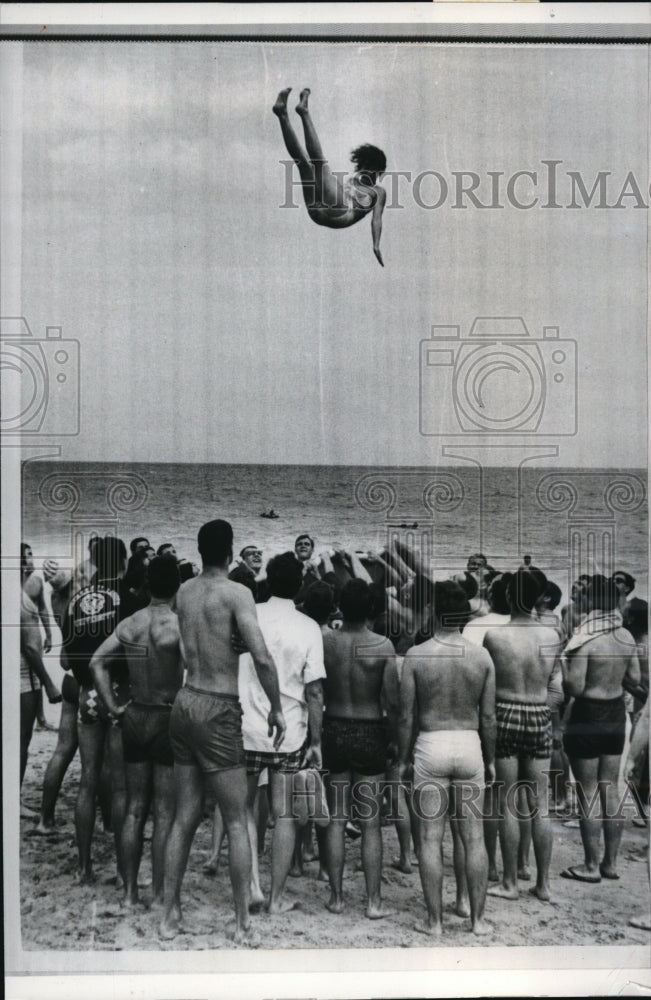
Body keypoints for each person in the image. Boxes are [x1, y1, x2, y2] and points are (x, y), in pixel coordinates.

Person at [160, 520, 285, 944]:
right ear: (230, 552)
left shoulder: (183, 592)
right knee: (235, 819)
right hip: (218, 707)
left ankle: (170, 914)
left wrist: (224, 640)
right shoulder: (238, 592)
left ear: (198, 551)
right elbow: (263, 657)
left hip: (186, 698)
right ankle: (240, 923)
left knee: (184, 817)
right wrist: (278, 708)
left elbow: (188, 641)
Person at [398, 581, 495, 937]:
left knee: (429, 838)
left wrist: (405, 758)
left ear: (434, 612)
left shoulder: (417, 655)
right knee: (473, 839)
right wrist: (491, 758)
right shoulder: (481, 656)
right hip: (469, 743)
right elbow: (488, 718)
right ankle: (478, 920)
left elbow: (406, 716)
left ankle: (435, 922)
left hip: (431, 743)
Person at [89, 556, 184, 909]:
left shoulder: (131, 623)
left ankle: (129, 894)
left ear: (146, 584)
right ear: (176, 585)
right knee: (163, 811)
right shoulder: (176, 625)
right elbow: (192, 671)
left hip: (135, 715)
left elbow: (96, 662)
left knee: (132, 808)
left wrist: (112, 706)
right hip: (165, 716)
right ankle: (159, 893)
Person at [239, 552, 325, 913]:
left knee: (242, 811)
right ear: (300, 586)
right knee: (284, 814)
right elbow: (315, 691)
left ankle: (252, 886)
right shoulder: (308, 627)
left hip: (246, 727)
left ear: (267, 581)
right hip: (288, 731)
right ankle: (275, 898)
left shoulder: (249, 615)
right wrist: (317, 741)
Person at [63, 535, 142, 883]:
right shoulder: (129, 600)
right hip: (120, 692)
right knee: (122, 786)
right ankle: (125, 876)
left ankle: (84, 868)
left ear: (94, 563)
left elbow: (65, 658)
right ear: (123, 563)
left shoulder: (76, 599)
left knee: (87, 781)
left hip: (86, 694)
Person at [321, 579, 398, 919]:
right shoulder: (382, 646)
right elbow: (392, 703)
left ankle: (336, 898)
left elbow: (317, 690)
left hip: (334, 726)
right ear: (371, 609)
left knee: (337, 819)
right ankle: (373, 901)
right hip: (369, 730)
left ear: (340, 605)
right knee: (370, 823)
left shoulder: (326, 642)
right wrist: (395, 739)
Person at [484, 569, 561, 903]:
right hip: (538, 713)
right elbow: (555, 684)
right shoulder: (551, 636)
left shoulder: (495, 636)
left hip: (505, 711)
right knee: (539, 805)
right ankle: (543, 883)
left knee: (507, 803)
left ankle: (510, 881)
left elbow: (487, 687)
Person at [561, 575, 640, 883]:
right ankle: (610, 863)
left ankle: (590, 865)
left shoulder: (586, 638)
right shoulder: (625, 636)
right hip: (615, 714)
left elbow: (576, 687)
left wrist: (563, 661)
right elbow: (633, 677)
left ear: (593, 602)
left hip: (588, 713)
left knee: (587, 792)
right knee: (611, 789)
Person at [273, 87, 387, 266]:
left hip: (340, 214)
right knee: (304, 163)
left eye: (370, 170)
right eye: (363, 167)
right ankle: (282, 114)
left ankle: (304, 112)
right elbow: (330, 189)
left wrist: (376, 244)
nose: (364, 172)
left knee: (319, 163)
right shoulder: (352, 180)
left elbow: (377, 219)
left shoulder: (379, 192)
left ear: (378, 171)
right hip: (318, 210)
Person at [20, 550, 61, 817]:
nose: (31, 559)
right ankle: (14, 799)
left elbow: (44, 609)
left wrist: (47, 632)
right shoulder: (20, 596)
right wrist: (49, 683)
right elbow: (29, 648)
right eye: (26, 555)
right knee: (21, 740)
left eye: (31, 553)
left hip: (22, 670)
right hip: (22, 671)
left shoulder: (32, 583)